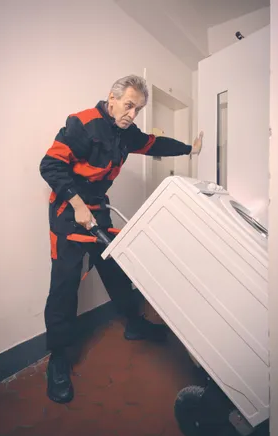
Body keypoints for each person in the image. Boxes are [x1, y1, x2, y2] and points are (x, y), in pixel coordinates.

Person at [40, 75, 203, 404]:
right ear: (111, 99)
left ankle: (134, 324)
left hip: (97, 210)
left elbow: (154, 144)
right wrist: (77, 204)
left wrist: (189, 149)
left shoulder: (127, 134)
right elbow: (50, 165)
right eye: (128, 105)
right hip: (67, 211)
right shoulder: (82, 124)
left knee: (116, 268)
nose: (132, 114)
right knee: (64, 284)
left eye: (138, 109)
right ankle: (57, 359)